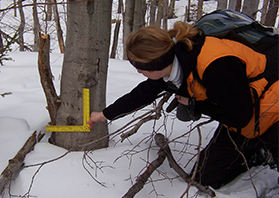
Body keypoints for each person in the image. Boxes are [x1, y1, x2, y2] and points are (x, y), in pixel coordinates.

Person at [87, 21, 279, 189]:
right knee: (205, 177)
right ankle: (256, 153)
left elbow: (239, 116)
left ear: (157, 63)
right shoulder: (172, 65)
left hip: (271, 110)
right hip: (243, 115)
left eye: (140, 67)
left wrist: (196, 104)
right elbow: (141, 95)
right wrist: (103, 115)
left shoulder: (216, 65)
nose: (138, 71)